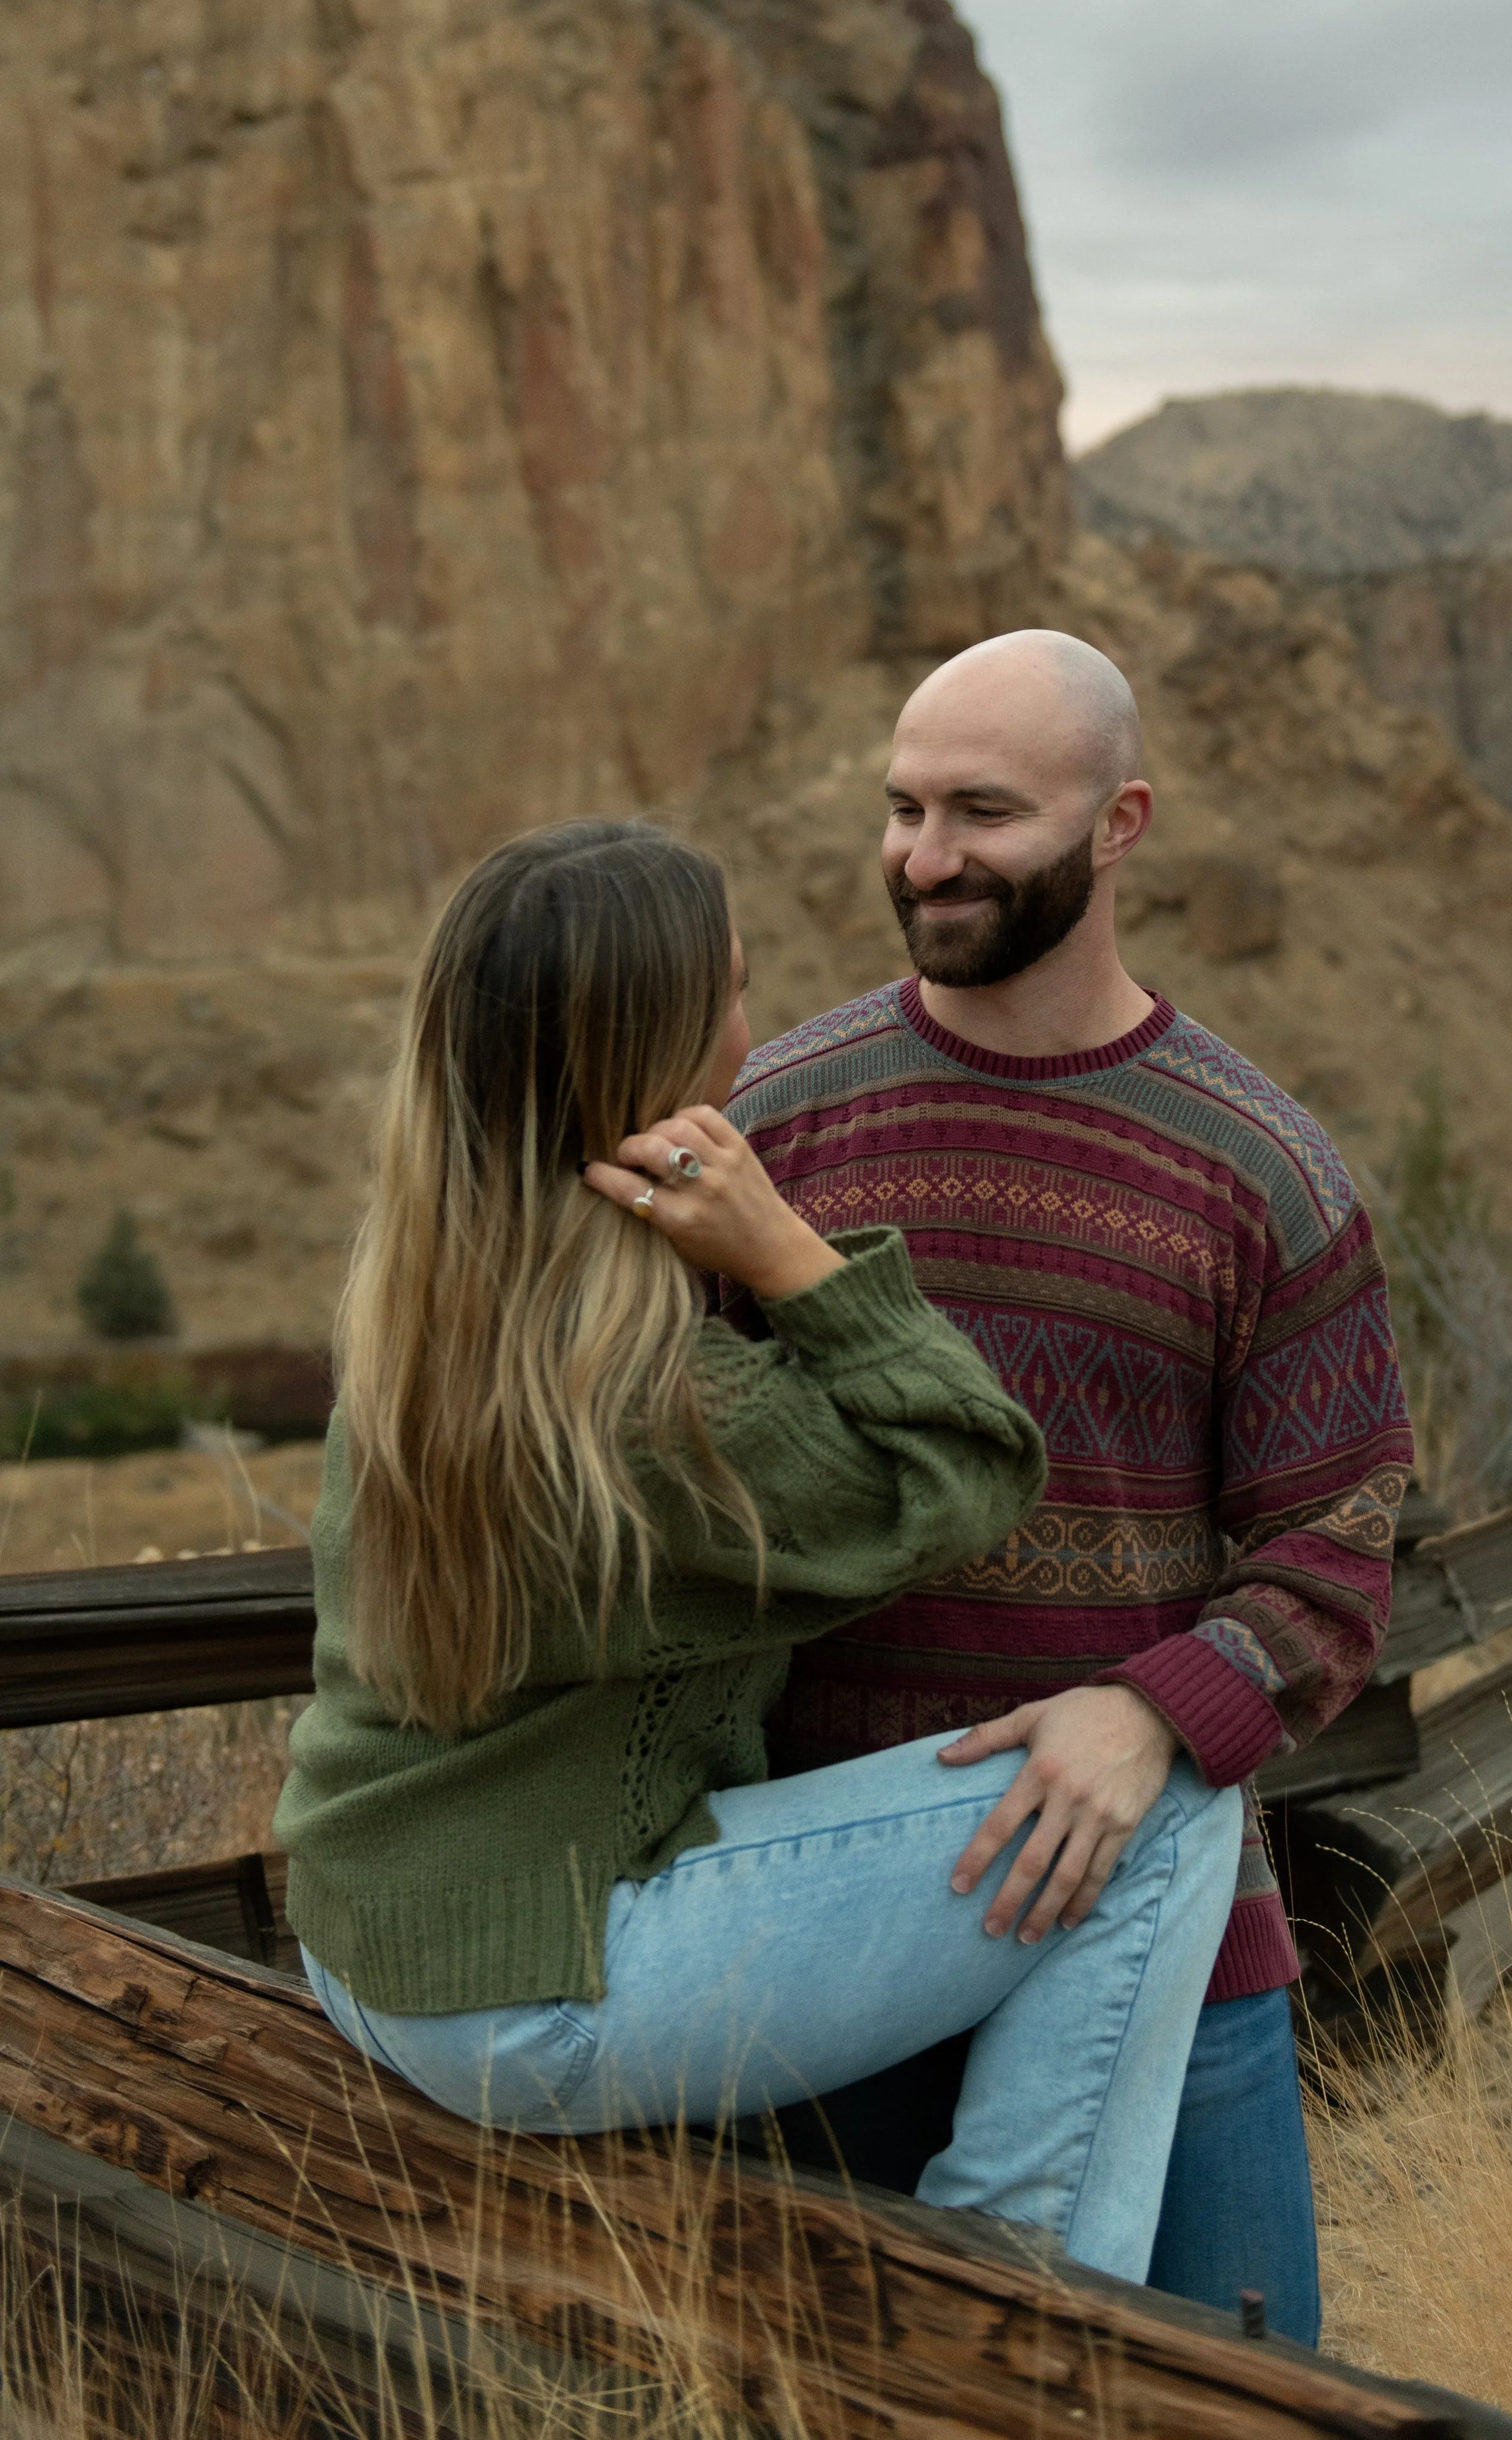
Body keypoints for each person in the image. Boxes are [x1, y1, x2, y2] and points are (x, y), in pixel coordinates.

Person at [275, 816, 1244, 2282]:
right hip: (523, 1991)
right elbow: (972, 1467)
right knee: (1160, 1794)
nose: (752, 1028)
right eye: (730, 993)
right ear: (652, 1058)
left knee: (1118, 1787)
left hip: (383, 1944)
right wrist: (789, 1254)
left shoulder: (437, 1299)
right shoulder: (649, 1402)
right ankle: (1022, 2311)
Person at [723, 633, 1415, 2345]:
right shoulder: (771, 1126)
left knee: (1243, 2396)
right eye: (900, 806)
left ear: (1118, 823)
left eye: (980, 810)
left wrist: (1150, 1711)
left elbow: (1336, 1544)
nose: (924, 853)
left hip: (1167, 1952)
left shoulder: (1259, 1163)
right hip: (816, 1952)